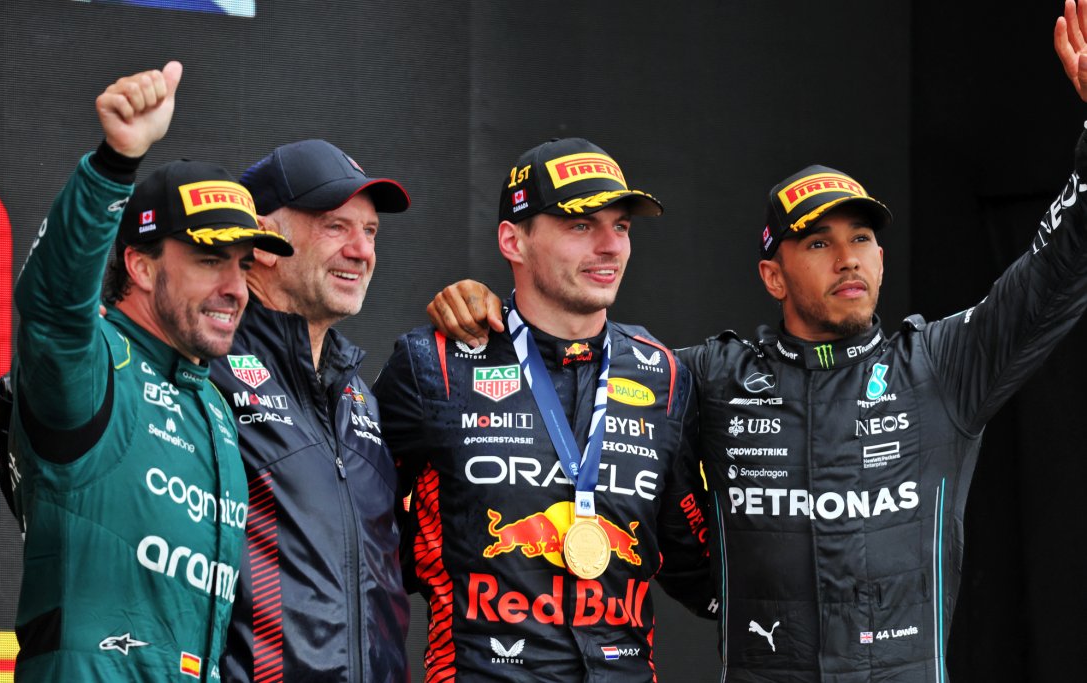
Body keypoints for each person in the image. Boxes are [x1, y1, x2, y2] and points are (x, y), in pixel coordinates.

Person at [427, 5, 1087, 680]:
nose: (848, 259)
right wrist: (487, 311)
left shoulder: (940, 368)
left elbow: (1055, 276)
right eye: (819, 243)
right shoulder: (711, 377)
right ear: (772, 274)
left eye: (862, 238)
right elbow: (576, 364)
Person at [374, 137, 712, 681]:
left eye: (621, 226)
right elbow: (360, 536)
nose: (609, 246)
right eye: (581, 225)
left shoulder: (664, 374)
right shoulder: (433, 363)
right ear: (513, 240)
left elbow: (700, 565)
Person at [7, 62, 293, 681]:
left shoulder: (213, 402)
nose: (234, 288)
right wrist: (114, 163)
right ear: (138, 265)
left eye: (244, 265)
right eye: (210, 259)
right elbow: (54, 309)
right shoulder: (95, 364)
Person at [210, 139, 412, 682]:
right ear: (266, 241)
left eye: (369, 232)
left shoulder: (359, 395)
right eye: (334, 226)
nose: (361, 250)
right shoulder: (203, 372)